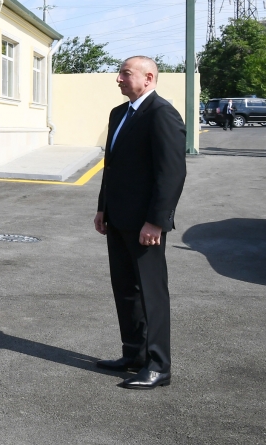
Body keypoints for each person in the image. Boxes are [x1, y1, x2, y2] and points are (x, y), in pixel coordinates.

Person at [93, 56, 186, 390]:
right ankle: (134, 354)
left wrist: (156, 223)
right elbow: (112, 167)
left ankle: (159, 365)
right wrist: (103, 208)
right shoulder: (119, 113)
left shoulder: (162, 114)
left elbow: (171, 173)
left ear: (148, 78)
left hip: (145, 224)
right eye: (119, 73)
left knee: (151, 292)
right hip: (118, 218)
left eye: (125, 73)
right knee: (125, 289)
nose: (118, 79)